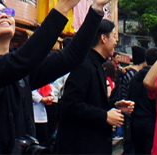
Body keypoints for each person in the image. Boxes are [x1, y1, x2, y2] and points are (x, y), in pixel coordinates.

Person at [0, 0, 127, 154]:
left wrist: (96, 9)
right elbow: (22, 60)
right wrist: (61, 7)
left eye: (7, 12)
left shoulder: (20, 75)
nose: (3, 16)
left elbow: (70, 56)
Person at [55, 19, 133, 154]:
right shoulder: (85, 65)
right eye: (113, 36)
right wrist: (104, 116)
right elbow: (71, 104)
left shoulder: (96, 65)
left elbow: (91, 102)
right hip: (80, 147)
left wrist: (115, 106)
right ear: (103, 38)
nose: (115, 42)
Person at [129, 47, 157, 155]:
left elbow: (131, 98)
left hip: (136, 122)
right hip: (152, 122)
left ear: (146, 60)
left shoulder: (135, 78)